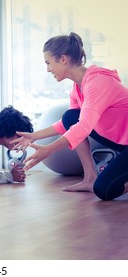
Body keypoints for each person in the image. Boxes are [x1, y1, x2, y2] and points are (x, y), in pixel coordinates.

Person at [11, 32, 128, 200]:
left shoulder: (97, 83)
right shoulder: (78, 87)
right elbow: (69, 123)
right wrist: (34, 136)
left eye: (48, 62)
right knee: (70, 116)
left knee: (104, 190)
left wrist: (49, 149)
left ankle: (95, 181)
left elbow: (84, 126)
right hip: (122, 142)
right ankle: (90, 178)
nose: (48, 69)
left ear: (63, 59)